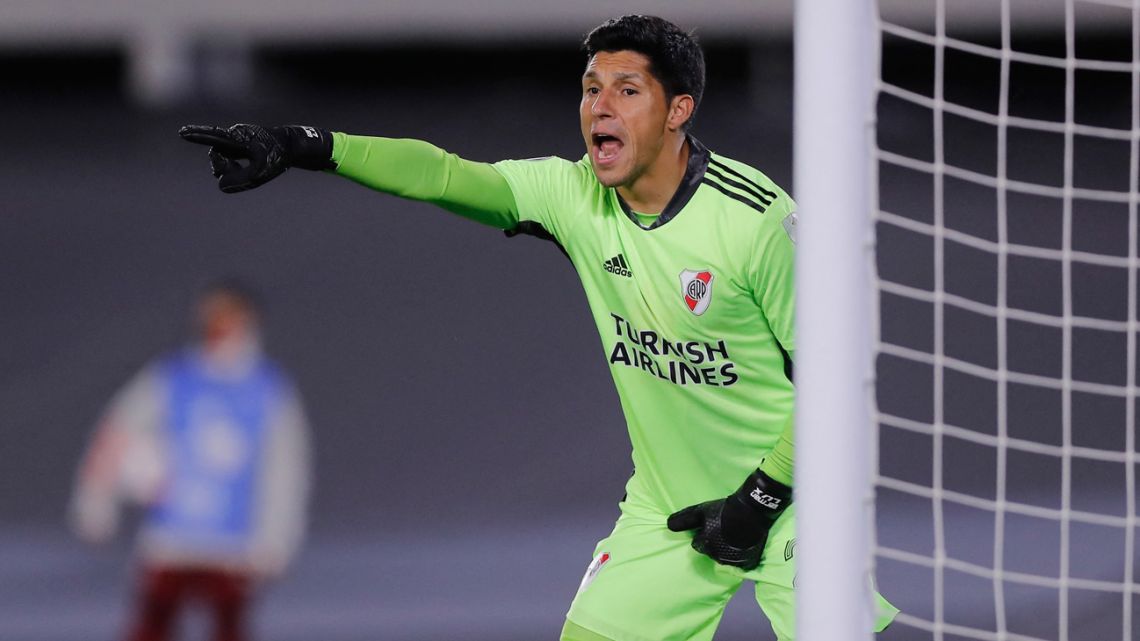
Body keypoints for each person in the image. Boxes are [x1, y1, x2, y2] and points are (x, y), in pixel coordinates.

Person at [179, 15, 895, 641]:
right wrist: (308, 144)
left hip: (799, 495)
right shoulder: (574, 194)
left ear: (679, 109)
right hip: (671, 505)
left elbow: (834, 383)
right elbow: (443, 174)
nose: (598, 107)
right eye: (590, 88)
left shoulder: (756, 222)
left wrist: (762, 499)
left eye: (626, 89)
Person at [69, 280, 312, 641]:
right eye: (213, 316)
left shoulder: (267, 390)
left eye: (230, 317)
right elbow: (117, 434)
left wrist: (278, 538)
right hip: (172, 536)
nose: (219, 326)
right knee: (152, 625)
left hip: (233, 542)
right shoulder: (174, 378)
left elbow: (285, 471)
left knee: (228, 627)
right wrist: (96, 501)